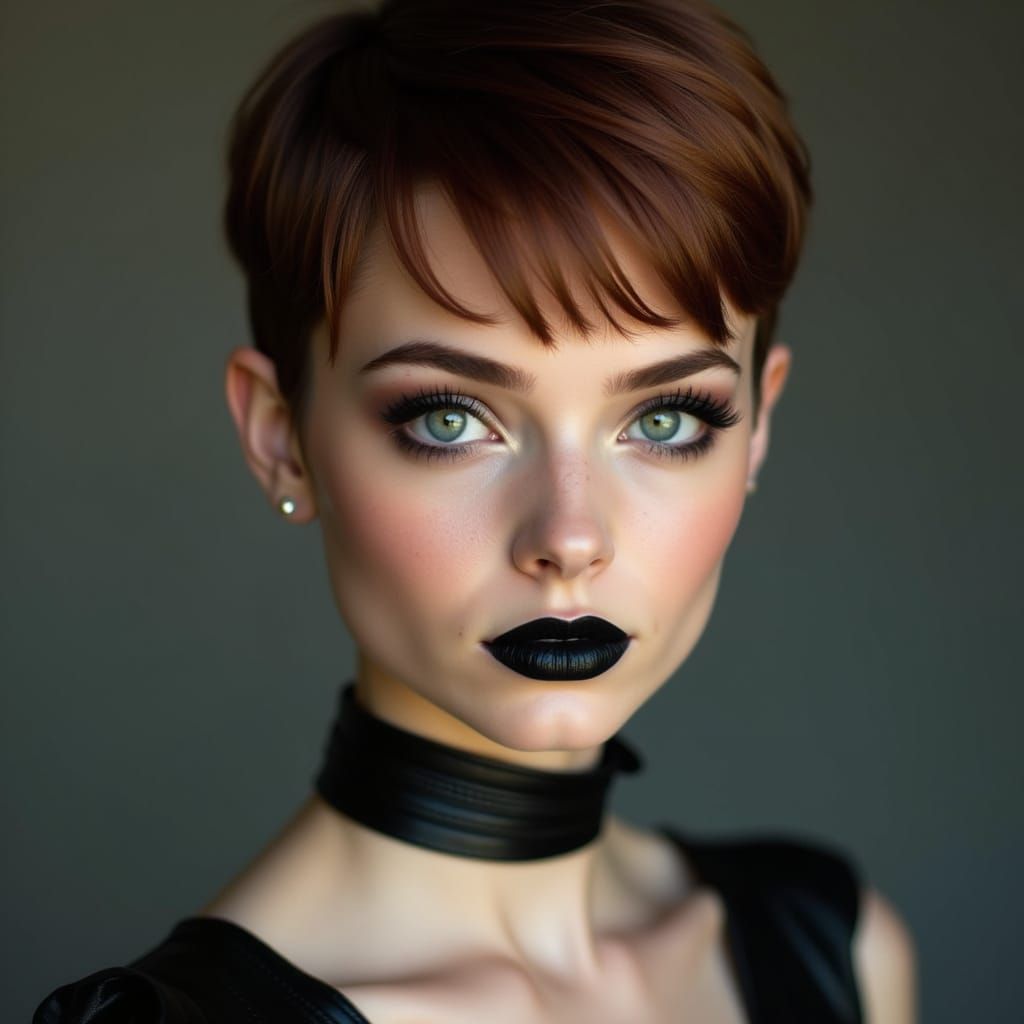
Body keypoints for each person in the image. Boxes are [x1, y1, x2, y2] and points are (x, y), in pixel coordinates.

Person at [34, 0, 918, 1021]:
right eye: (451, 420)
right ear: (280, 433)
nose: (569, 538)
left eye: (667, 420)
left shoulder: (831, 947)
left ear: (756, 428)